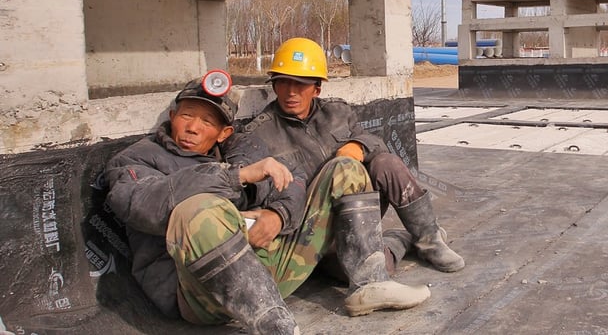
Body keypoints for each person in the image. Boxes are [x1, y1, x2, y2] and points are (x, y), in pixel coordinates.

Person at [104, 72, 428, 335]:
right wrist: (236, 177)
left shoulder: (237, 149)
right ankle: (276, 326)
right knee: (197, 209)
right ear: (173, 116)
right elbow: (140, 204)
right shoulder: (136, 158)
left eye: (207, 122)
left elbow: (294, 179)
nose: (193, 127)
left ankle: (370, 283)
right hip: (201, 292)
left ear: (223, 132)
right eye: (187, 115)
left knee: (344, 170)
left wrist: (277, 213)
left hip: (266, 272)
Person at [230, 37, 464, 276]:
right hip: (312, 231)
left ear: (317, 88)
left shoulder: (337, 113)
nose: (291, 92)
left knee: (385, 163)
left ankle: (430, 239)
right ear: (274, 86)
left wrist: (358, 145)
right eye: (283, 83)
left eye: (300, 84)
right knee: (368, 267)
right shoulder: (260, 133)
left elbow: (376, 143)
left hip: (358, 209)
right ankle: (401, 240)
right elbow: (247, 187)